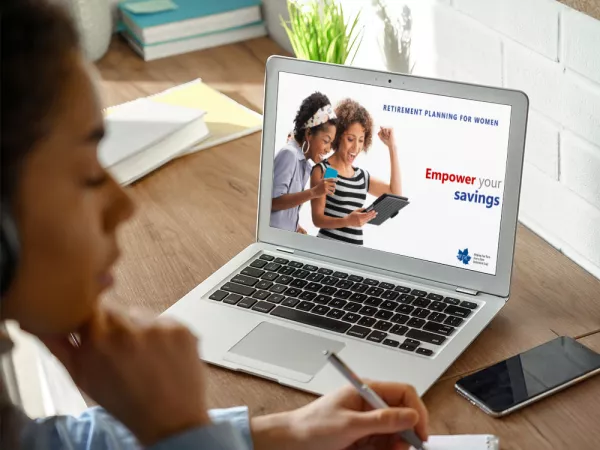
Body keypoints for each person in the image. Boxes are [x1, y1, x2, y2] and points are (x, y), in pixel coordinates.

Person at [0, 1, 428, 449]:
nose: (123, 206)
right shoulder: (305, 165)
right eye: (88, 174)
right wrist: (182, 431)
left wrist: (285, 431)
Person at [311, 99, 402, 245]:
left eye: (361, 140)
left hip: (353, 256)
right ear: (338, 135)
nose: (356, 148)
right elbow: (318, 219)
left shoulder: (361, 177)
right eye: (350, 139)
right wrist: (347, 221)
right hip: (326, 252)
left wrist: (392, 147)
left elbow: (395, 195)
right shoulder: (328, 171)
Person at [271, 93, 338, 234]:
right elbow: (272, 202)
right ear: (309, 134)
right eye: (326, 141)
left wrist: (294, 226)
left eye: (331, 143)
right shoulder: (289, 154)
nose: (328, 149)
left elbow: (287, 205)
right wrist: (314, 192)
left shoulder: (305, 164)